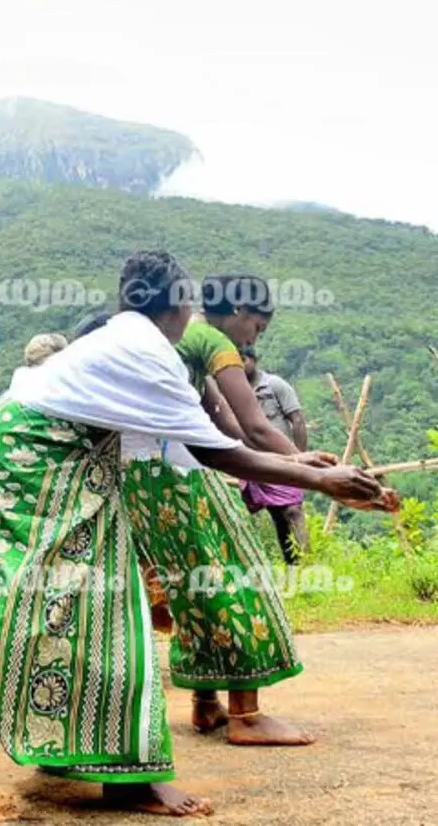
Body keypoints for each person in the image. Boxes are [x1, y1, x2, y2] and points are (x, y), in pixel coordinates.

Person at [0, 251, 386, 816]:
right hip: (32, 462)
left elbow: (211, 435)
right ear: (182, 305)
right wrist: (322, 479)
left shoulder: (126, 335)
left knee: (79, 603)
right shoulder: (146, 351)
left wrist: (312, 472)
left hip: (18, 454)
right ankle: (126, 776)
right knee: (106, 606)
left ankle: (70, 744)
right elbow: (223, 448)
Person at [120, 275, 319, 746]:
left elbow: (221, 420)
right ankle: (246, 716)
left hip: (140, 478)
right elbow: (252, 425)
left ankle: (205, 705)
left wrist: (291, 461)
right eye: (257, 327)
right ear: (237, 312)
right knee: (240, 579)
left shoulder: (178, 340)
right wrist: (306, 466)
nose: (253, 338)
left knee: (196, 589)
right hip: (176, 476)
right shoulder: (212, 340)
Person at [240, 346, 310, 563]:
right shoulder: (235, 391)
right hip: (256, 464)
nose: (239, 365)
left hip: (285, 459)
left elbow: (297, 420)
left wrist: (299, 458)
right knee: (278, 517)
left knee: (293, 511)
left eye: (243, 359)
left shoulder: (274, 385)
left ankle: (307, 565)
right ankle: (292, 566)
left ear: (254, 359)